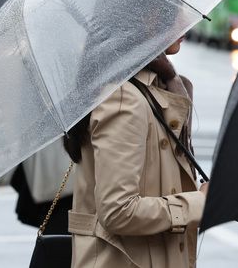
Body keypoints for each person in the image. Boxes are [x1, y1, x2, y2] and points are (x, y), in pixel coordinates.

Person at [64, 37, 208, 268]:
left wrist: (171, 78)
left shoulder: (157, 87)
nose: (185, 23)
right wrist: (200, 203)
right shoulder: (123, 98)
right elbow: (118, 211)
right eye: (172, 11)